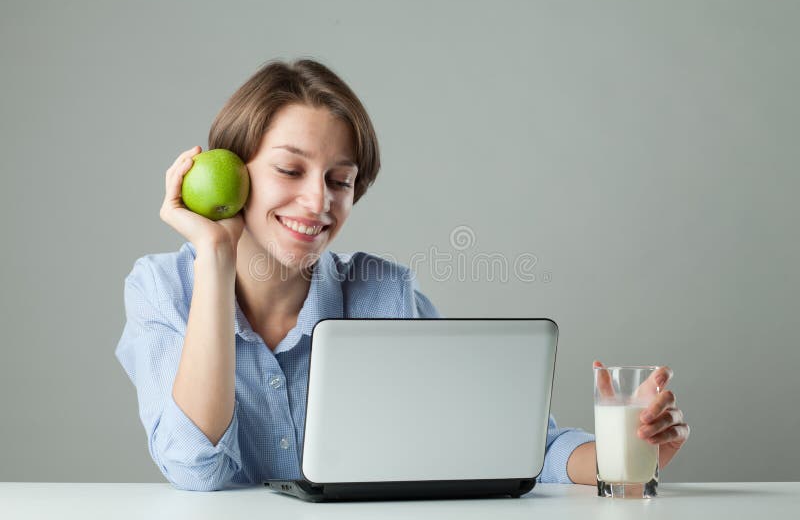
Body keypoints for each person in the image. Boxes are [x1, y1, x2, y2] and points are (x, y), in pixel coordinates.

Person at [115, 58, 689, 491]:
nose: (318, 202)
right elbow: (196, 469)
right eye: (291, 169)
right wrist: (215, 257)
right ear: (233, 171)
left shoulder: (383, 293)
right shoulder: (162, 289)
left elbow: (524, 445)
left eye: (340, 180)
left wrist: (623, 459)